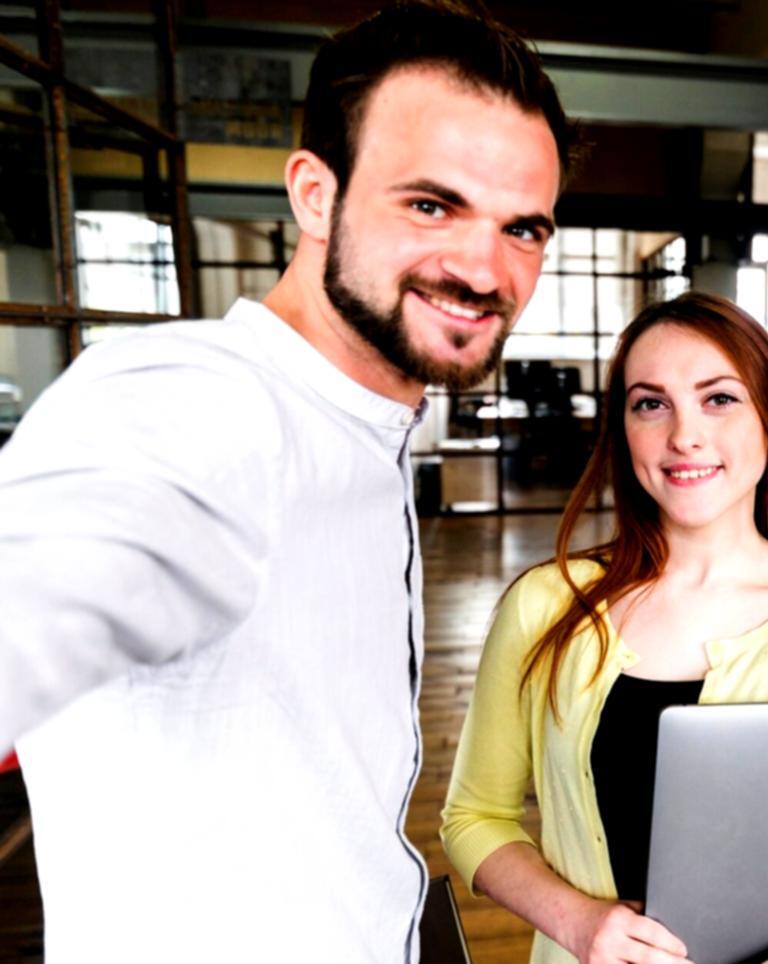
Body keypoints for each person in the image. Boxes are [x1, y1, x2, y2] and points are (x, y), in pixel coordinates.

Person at [0, 3, 573, 960]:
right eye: (430, 205)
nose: (483, 267)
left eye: (523, 227)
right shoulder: (197, 406)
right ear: (315, 195)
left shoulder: (368, 418)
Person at [440, 292, 768, 964]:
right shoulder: (545, 607)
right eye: (650, 403)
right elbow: (473, 818)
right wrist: (578, 922)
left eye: (719, 399)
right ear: (624, 431)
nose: (684, 434)